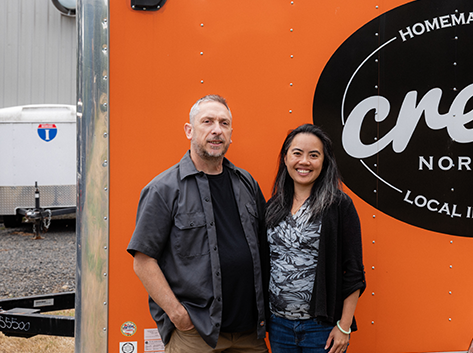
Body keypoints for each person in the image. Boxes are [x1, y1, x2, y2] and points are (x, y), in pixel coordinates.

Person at [127, 95, 269, 353]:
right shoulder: (164, 189)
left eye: (224, 123)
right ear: (189, 130)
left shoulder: (247, 183)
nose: (217, 130)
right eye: (208, 122)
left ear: (231, 133)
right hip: (196, 335)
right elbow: (143, 260)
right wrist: (177, 314)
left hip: (249, 334)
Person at [266, 124, 366, 353]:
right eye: (297, 153)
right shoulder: (273, 207)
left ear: (324, 161)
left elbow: (353, 271)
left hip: (320, 328)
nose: (304, 162)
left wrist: (344, 326)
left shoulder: (339, 206)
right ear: (285, 158)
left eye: (314, 155)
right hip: (279, 326)